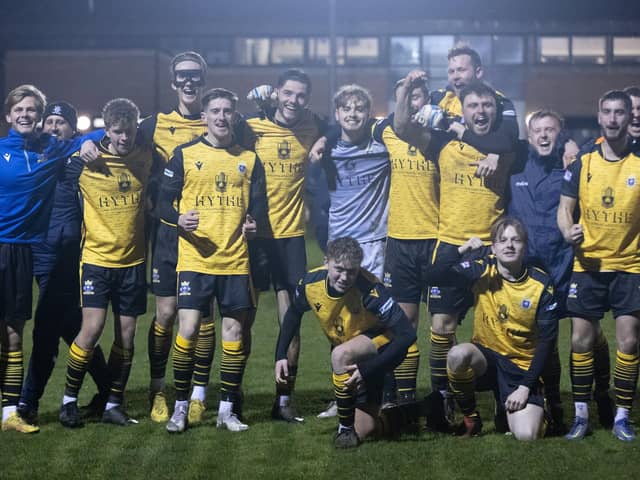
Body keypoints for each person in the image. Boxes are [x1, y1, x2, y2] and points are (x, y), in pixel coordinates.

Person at [395, 75, 514, 431]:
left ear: (496, 110)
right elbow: (402, 127)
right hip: (450, 245)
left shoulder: (507, 147)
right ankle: (444, 398)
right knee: (441, 328)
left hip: (492, 249)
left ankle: (504, 398)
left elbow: (524, 141)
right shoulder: (442, 142)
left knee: (502, 328)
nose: (481, 111)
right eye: (474, 106)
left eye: (487, 105)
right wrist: (404, 93)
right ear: (462, 110)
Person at [158, 88, 267, 433]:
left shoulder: (249, 159)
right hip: (195, 259)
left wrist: (253, 224)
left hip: (235, 261)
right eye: (215, 111)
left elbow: (259, 207)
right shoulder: (185, 155)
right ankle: (180, 407)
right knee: (187, 330)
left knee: (233, 334)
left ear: (235, 115)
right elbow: (161, 202)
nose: (221, 117)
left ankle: (226, 410)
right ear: (204, 116)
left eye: (227, 110)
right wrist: (177, 219)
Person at [0, 84, 102, 434]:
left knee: (45, 327)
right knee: (70, 325)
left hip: (59, 255)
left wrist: (90, 140)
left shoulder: (67, 157)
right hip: (27, 250)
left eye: (62, 122)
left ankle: (25, 402)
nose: (54, 126)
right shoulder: (38, 155)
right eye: (52, 121)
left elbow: (110, 132)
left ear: (72, 129)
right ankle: (108, 388)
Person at [508, 109, 613, 435]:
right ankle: (555, 403)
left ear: (560, 133)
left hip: (569, 266)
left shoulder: (575, 166)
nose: (543, 136)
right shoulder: (516, 165)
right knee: (547, 340)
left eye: (550, 130)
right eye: (537, 130)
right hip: (534, 272)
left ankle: (603, 392)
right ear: (530, 135)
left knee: (590, 333)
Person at [58, 98, 157, 428]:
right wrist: (86, 141)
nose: (124, 138)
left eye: (129, 131)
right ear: (108, 130)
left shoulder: (146, 155)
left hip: (133, 261)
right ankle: (68, 401)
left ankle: (114, 403)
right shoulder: (85, 159)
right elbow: (56, 161)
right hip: (97, 260)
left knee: (126, 338)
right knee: (92, 329)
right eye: (117, 132)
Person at [275, 237, 417, 448]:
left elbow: (407, 334)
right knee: (367, 428)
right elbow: (293, 313)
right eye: (339, 269)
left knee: (340, 354)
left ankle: (344, 430)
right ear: (326, 261)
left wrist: (368, 369)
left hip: (383, 347)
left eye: (351, 271)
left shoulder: (371, 290)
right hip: (353, 348)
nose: (345, 277)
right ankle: (412, 413)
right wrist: (280, 356)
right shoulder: (310, 283)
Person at [240, 69, 325, 423]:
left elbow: (343, 124)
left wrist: (326, 140)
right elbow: (213, 129)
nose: (293, 101)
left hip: (290, 239)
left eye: (301, 95)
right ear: (276, 93)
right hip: (253, 238)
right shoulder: (250, 128)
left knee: (291, 318)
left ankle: (284, 399)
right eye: (287, 93)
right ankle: (233, 395)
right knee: (240, 319)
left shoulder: (314, 128)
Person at [558, 90, 640, 442]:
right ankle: (581, 415)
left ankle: (622, 416)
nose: (613, 118)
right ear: (599, 116)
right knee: (580, 339)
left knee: (629, 341)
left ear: (628, 116)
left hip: (630, 266)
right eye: (606, 111)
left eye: (619, 112)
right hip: (588, 264)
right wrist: (567, 229)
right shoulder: (583, 162)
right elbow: (564, 207)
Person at [138, 51, 215, 425]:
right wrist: (82, 143)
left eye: (195, 76)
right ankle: (158, 391)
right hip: (169, 235)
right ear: (173, 82)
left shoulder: (218, 119)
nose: (189, 82)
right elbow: (114, 134)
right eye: (182, 76)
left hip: (207, 237)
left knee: (203, 320)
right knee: (166, 315)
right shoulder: (153, 124)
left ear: (203, 79)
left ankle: (198, 395)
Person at [439, 217, 559, 440]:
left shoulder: (541, 284)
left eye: (516, 240)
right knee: (458, 354)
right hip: (487, 361)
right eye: (502, 240)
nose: (509, 245)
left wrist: (525, 386)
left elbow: (547, 342)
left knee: (526, 435)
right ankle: (471, 418)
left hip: (520, 367)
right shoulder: (482, 270)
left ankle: (540, 411)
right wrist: (461, 249)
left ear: (525, 246)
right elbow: (433, 274)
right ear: (493, 247)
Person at [375, 78, 439, 406]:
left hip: (436, 239)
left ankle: (445, 395)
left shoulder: (437, 136)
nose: (412, 102)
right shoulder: (387, 130)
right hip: (400, 240)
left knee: (442, 323)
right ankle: (403, 395)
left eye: (418, 96)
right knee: (404, 322)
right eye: (406, 96)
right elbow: (344, 131)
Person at [429, 44, 518, 155]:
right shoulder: (440, 98)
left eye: (461, 70)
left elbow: (507, 142)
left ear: (478, 72)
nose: (455, 76)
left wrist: (465, 134)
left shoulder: (499, 102)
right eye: (451, 71)